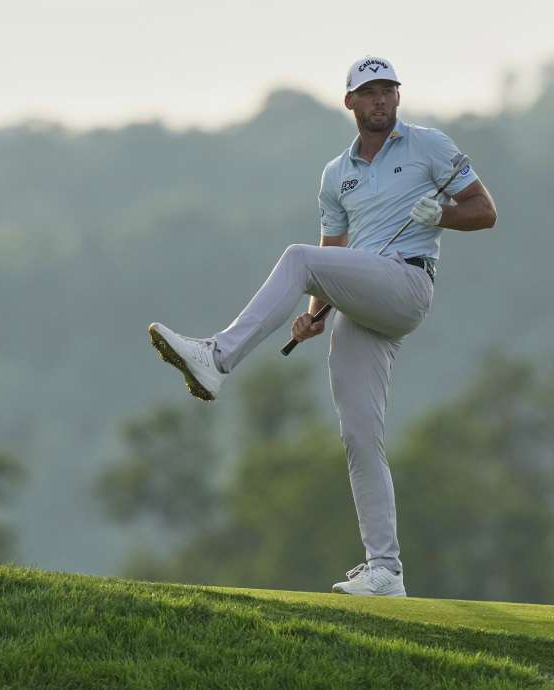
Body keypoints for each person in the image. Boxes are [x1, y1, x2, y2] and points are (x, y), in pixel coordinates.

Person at [147, 55, 498, 597]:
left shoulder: (429, 145)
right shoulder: (338, 175)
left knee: (295, 255)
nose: (380, 100)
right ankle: (386, 570)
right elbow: (334, 255)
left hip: (407, 286)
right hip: (363, 303)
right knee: (360, 436)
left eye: (388, 91)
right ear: (350, 102)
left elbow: (485, 210)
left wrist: (443, 215)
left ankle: (216, 358)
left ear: (398, 98)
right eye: (369, 92)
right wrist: (314, 314)